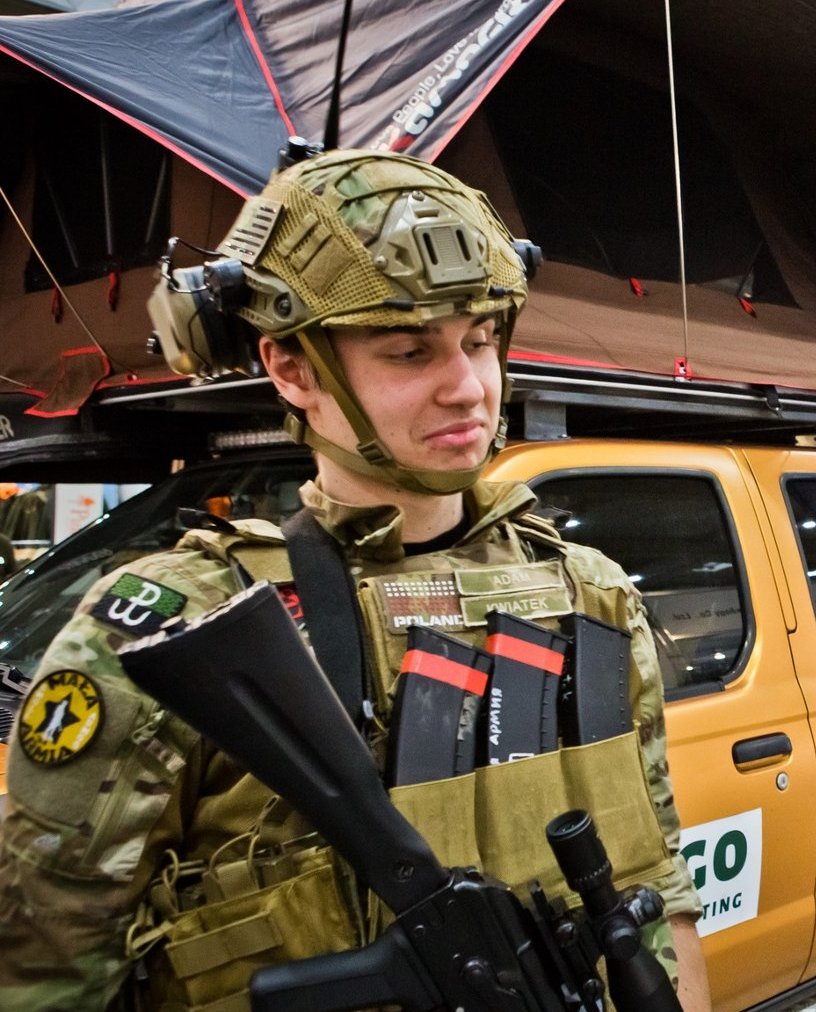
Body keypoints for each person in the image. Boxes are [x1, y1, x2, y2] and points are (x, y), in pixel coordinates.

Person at [0, 150, 708, 1010]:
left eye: (480, 342)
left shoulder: (590, 593)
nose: (468, 388)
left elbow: (660, 889)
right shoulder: (172, 628)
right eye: (410, 351)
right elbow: (42, 973)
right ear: (292, 370)